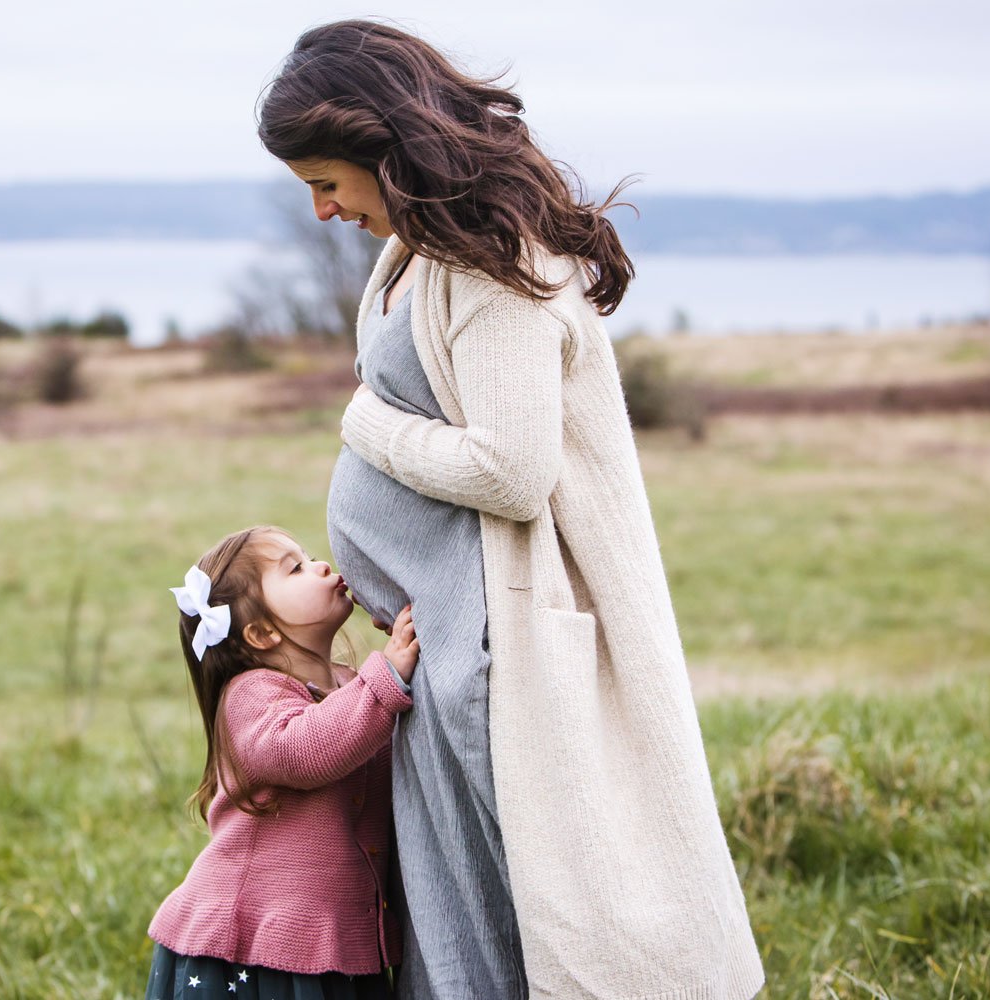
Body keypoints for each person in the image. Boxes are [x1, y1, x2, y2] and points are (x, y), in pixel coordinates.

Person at [257, 20, 766, 1000]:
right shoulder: (416, 250)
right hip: (450, 642)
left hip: (511, 651)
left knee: (543, 922)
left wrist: (368, 428)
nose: (321, 210)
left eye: (325, 181)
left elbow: (512, 468)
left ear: (379, 144)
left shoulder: (494, 260)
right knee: (466, 918)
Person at [145, 525, 419, 1000]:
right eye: (295, 568)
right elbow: (303, 750)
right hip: (251, 951)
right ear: (261, 632)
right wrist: (385, 677)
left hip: (333, 942)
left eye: (307, 557)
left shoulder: (349, 684)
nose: (321, 566)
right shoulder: (250, 695)